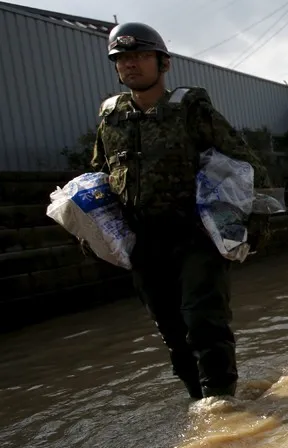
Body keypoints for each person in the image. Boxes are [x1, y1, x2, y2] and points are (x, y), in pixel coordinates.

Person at [88, 21, 272, 400]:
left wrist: (255, 221)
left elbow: (244, 164)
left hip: (196, 235)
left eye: (139, 56)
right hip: (143, 241)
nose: (130, 64)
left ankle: (223, 408)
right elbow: (101, 176)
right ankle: (200, 402)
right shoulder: (111, 118)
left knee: (204, 322)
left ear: (163, 63)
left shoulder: (191, 109)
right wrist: (88, 228)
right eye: (122, 58)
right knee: (173, 333)